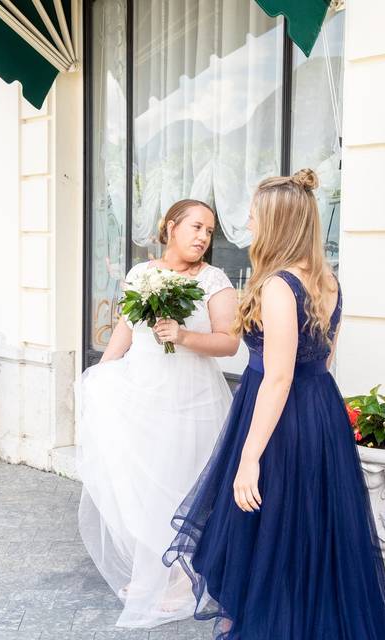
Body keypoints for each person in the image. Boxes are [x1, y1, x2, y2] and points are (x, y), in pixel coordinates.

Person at [164, 170, 385, 639]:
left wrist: (249, 457)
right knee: (307, 535)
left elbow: (278, 377)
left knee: (266, 532)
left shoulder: (277, 285)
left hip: (278, 417)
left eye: (253, 216)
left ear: (275, 223)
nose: (248, 224)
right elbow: (325, 356)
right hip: (319, 413)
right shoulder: (328, 280)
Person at [77, 200, 240, 628]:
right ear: (171, 227)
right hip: (143, 391)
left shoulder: (214, 280)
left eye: (210, 230)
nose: (204, 237)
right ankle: (154, 569)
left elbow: (229, 343)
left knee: (183, 481)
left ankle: (186, 576)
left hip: (192, 399)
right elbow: (128, 327)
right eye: (196, 226)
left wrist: (184, 334)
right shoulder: (141, 274)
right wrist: (103, 371)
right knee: (145, 483)